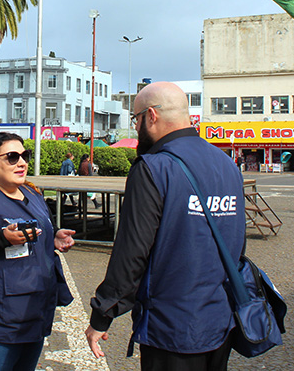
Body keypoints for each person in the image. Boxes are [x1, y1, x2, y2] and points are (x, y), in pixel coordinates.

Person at [84, 82, 246, 370]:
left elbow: (132, 252)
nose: (136, 129)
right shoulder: (227, 165)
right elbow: (236, 243)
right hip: (222, 322)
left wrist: (102, 315)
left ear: (151, 116)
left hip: (171, 326)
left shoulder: (152, 168)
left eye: (135, 120)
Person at [0, 132, 76, 371]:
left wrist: (54, 237)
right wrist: (1, 238)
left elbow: (38, 230)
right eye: (12, 157)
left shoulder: (33, 194)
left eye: (24, 156)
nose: (22, 162)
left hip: (33, 313)